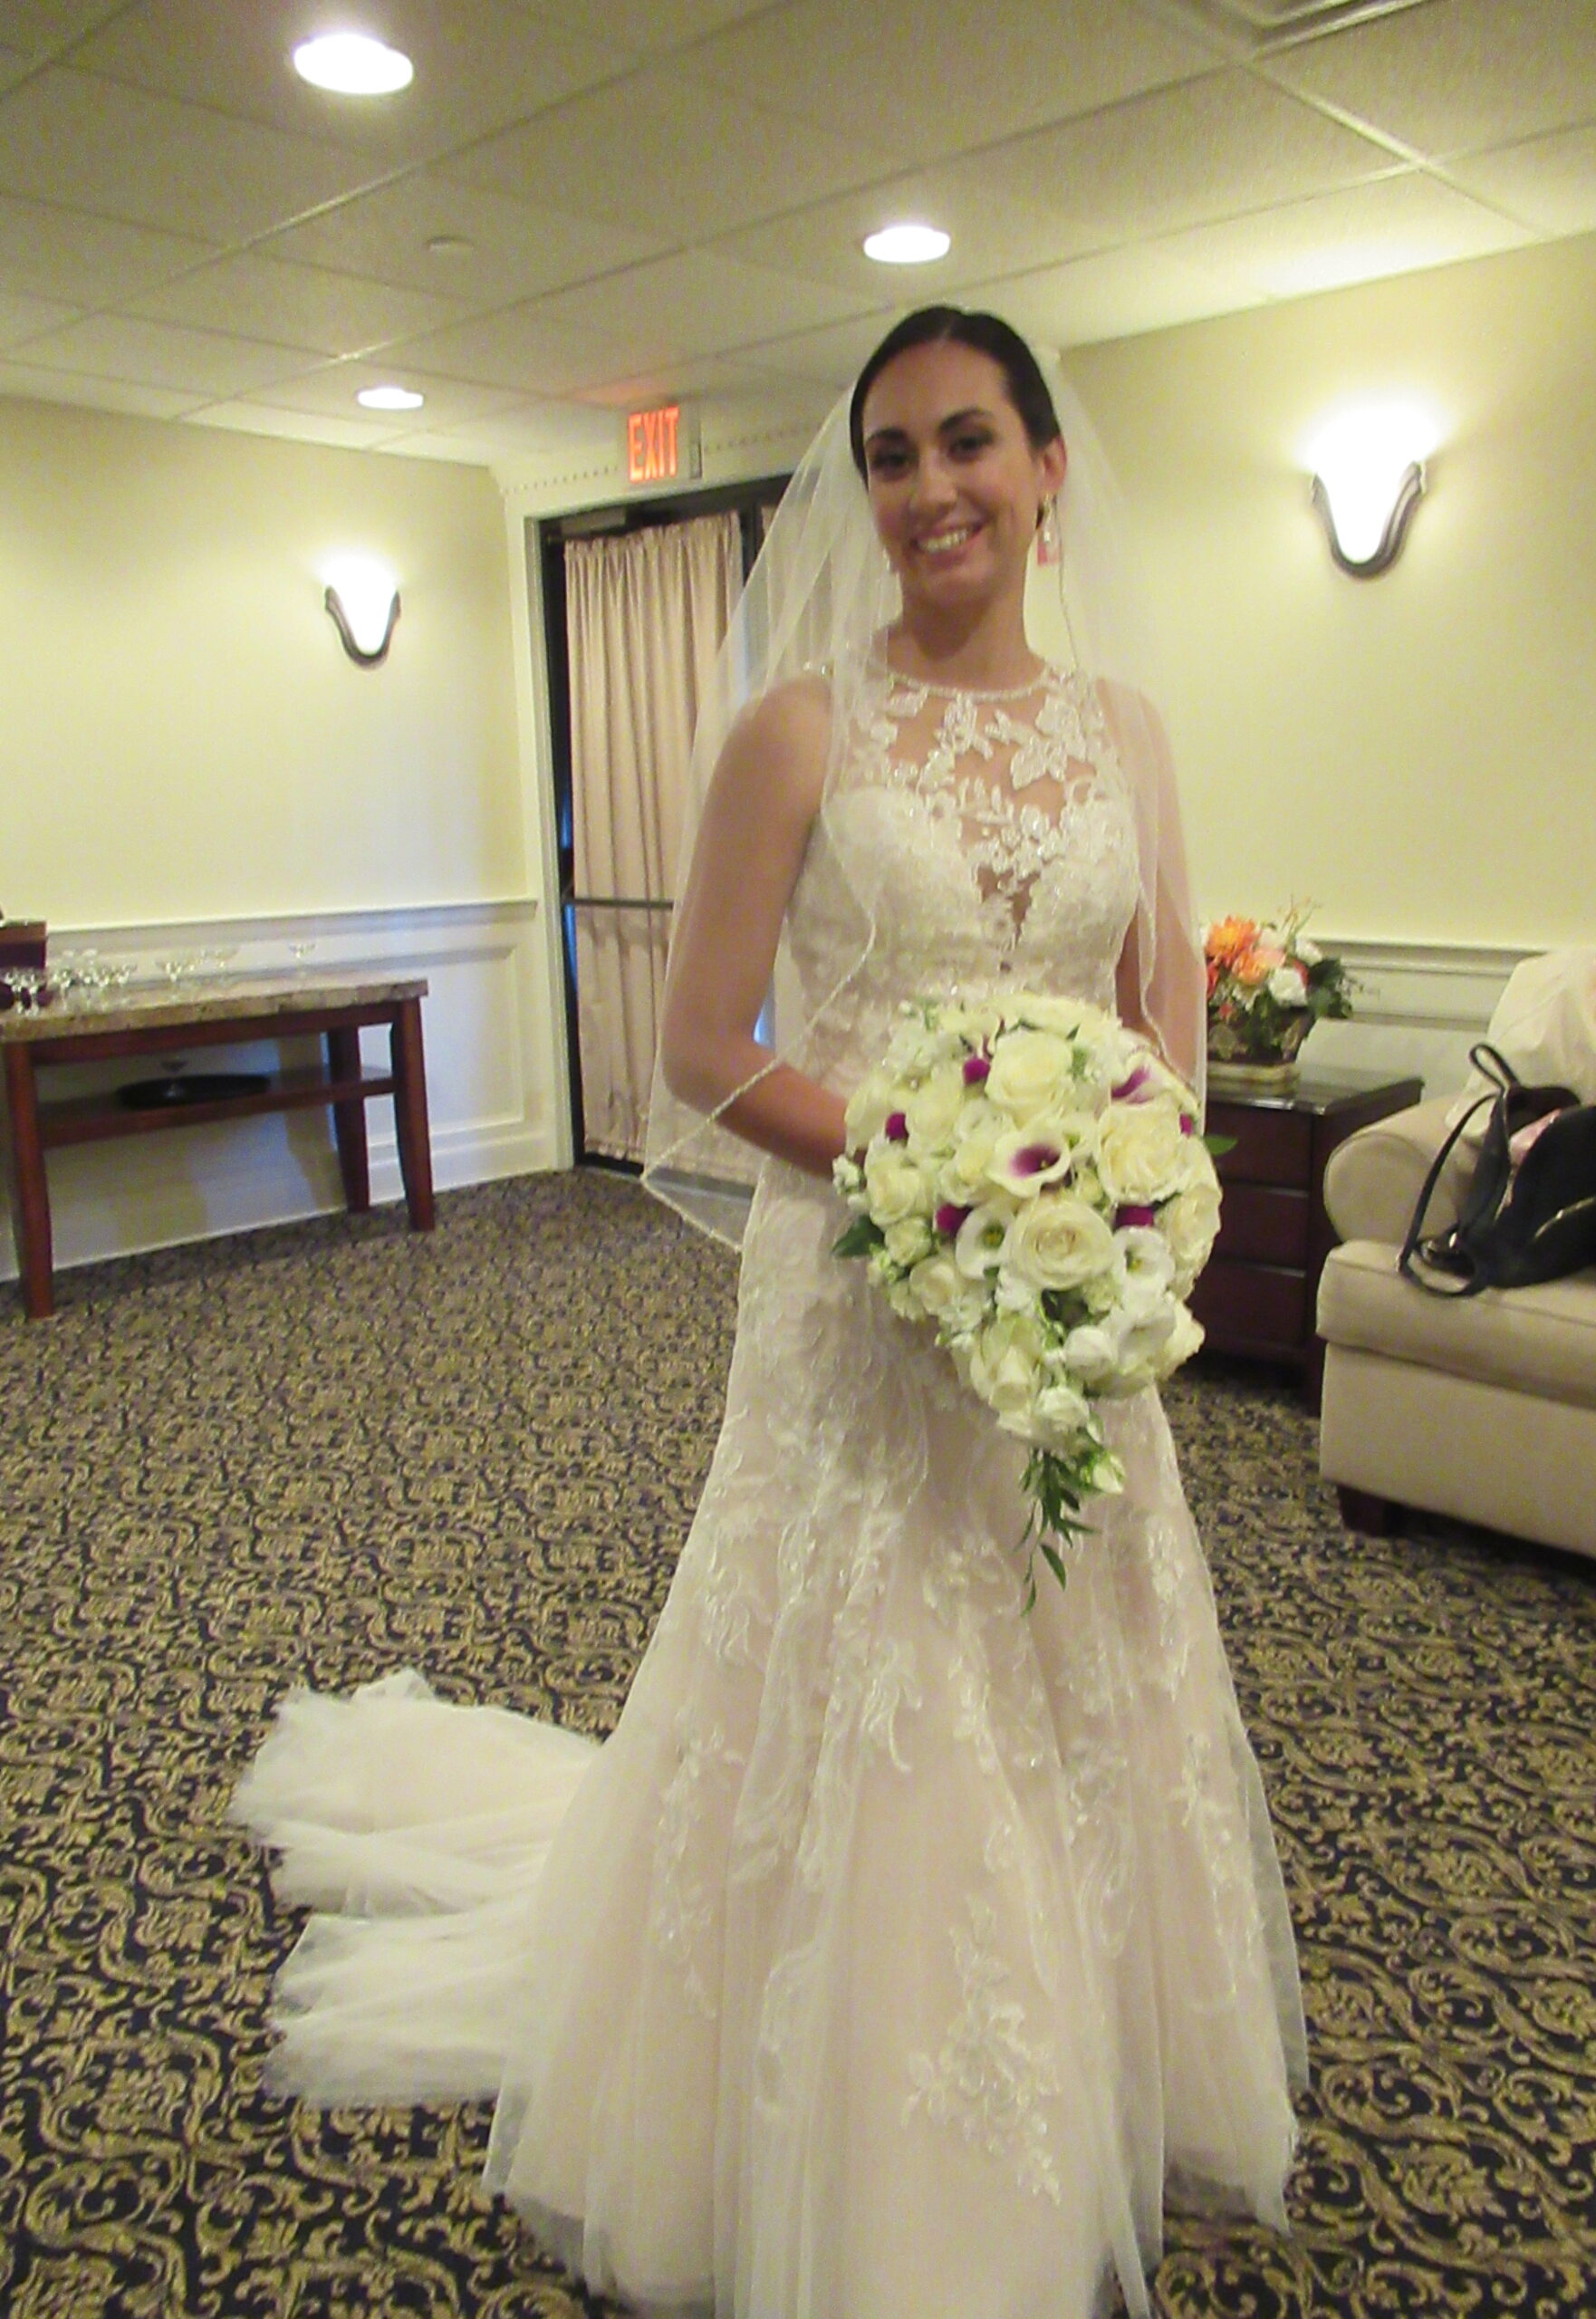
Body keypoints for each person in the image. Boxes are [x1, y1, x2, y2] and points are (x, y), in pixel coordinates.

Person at [234, 307, 1307, 2319]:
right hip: (870, 1289)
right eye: (892, 454)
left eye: (969, 441)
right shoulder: (798, 726)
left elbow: (1163, 1018)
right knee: (891, 1691)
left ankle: (1095, 2061)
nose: (931, 490)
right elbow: (702, 1042)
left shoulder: (1130, 731)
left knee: (1081, 1657)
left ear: (1049, 468)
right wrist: (930, 1173)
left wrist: (1124, 1197)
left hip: (1065, 1301)